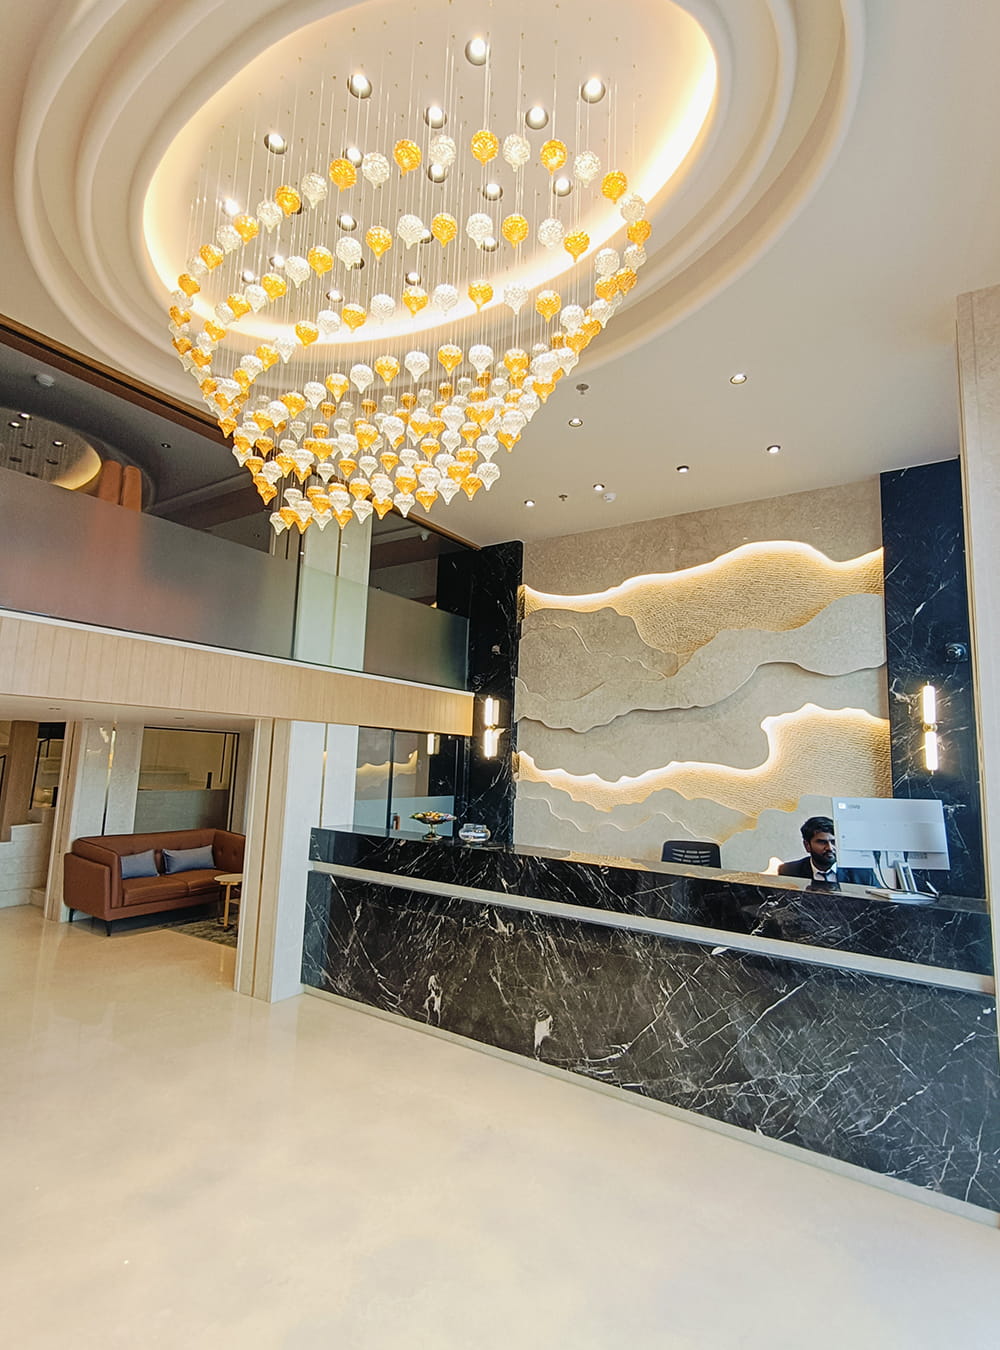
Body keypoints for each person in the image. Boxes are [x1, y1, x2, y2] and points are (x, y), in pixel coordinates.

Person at [778, 815, 877, 887]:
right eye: (822, 842)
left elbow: (880, 906)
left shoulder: (863, 873)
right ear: (807, 845)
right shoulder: (789, 871)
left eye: (834, 842)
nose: (830, 848)